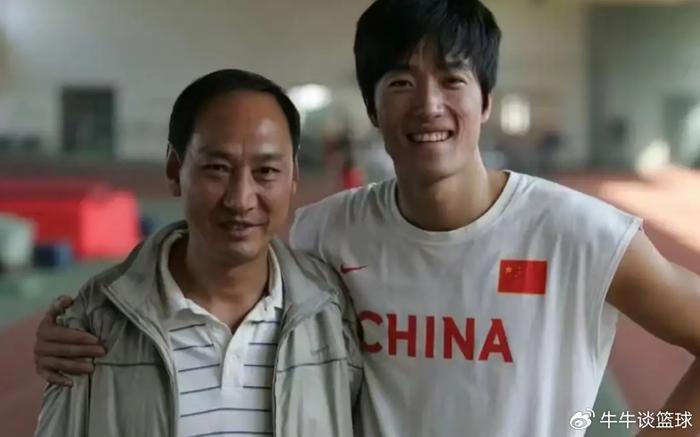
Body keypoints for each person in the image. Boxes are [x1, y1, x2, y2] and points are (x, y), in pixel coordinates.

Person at [35, 1, 700, 436]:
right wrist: (91, 326)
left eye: (453, 80)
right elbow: (220, 279)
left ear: (486, 100)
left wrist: (643, 428)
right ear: (373, 109)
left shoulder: (578, 234)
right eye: (400, 83)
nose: (428, 104)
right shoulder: (325, 232)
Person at [33, 69, 362, 437]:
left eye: (266, 171)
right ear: (175, 169)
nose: (240, 199)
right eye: (217, 168)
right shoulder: (97, 323)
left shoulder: (330, 313)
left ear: (293, 176)